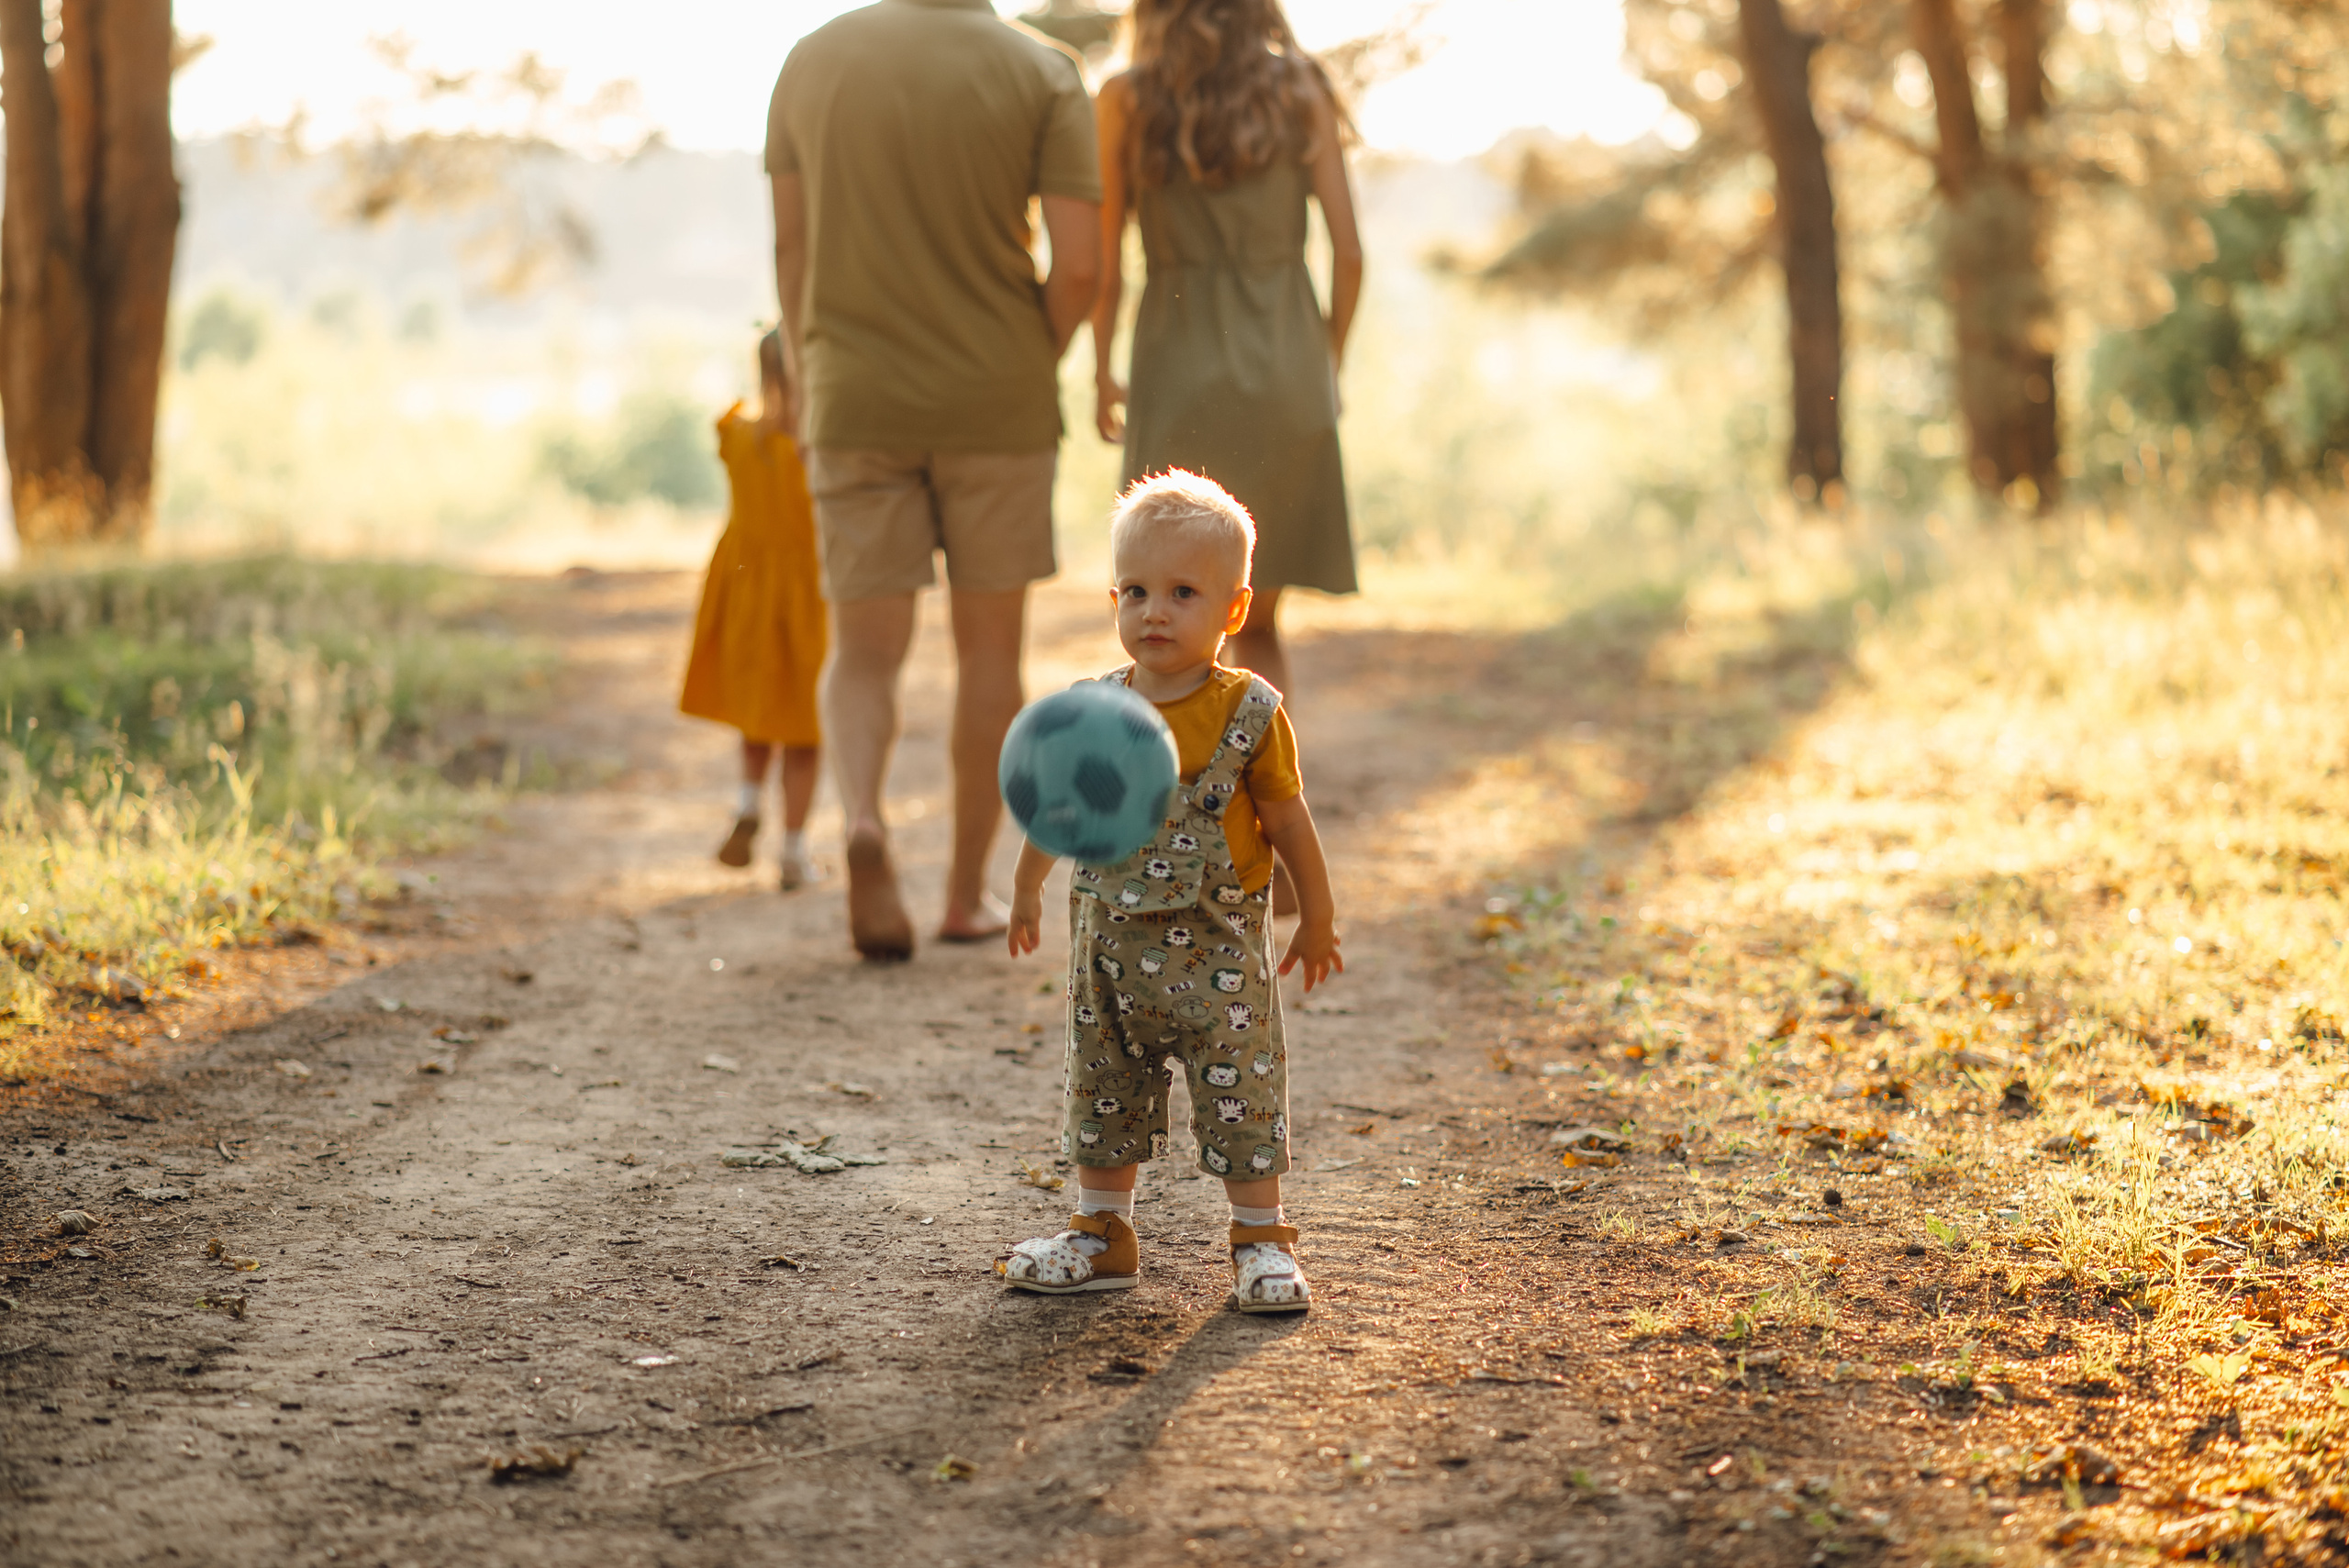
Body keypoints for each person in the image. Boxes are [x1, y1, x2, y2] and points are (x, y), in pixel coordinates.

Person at [767, 0, 1103, 961]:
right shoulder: (1041, 72)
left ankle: (864, 821)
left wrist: (806, 375)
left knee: (864, 647)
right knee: (988, 653)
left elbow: (791, 249)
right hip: (995, 395)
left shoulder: (810, 59)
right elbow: (1077, 265)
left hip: (853, 394)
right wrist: (1026, 360)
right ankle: (964, 894)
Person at [997, 471, 1341, 1313]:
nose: (1155, 611)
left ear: (1232, 608)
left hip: (1220, 952)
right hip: (1110, 954)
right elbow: (1058, 809)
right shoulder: (1094, 711)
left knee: (1240, 1086)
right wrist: (1026, 886)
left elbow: (1290, 823)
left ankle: (1261, 1242)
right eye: (1138, 591)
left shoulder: (1249, 712)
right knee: (1103, 1084)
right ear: (1114, 597)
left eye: (1183, 592)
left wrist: (1319, 914)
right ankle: (1101, 1232)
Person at [1089, 0, 1364, 706]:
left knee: (1169, 622)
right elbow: (1351, 254)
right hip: (1286, 365)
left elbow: (1105, 262)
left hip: (1173, 370)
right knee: (1258, 619)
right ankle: (1268, 797)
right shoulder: (1300, 85)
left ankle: (1173, 800)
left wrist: (1100, 371)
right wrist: (1322, 362)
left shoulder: (1125, 96)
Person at [679, 330, 826, 891]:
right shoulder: (814, 450)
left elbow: (732, 425)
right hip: (808, 598)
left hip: (747, 595)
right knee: (806, 730)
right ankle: (792, 850)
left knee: (758, 712)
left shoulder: (737, 434)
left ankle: (746, 802)